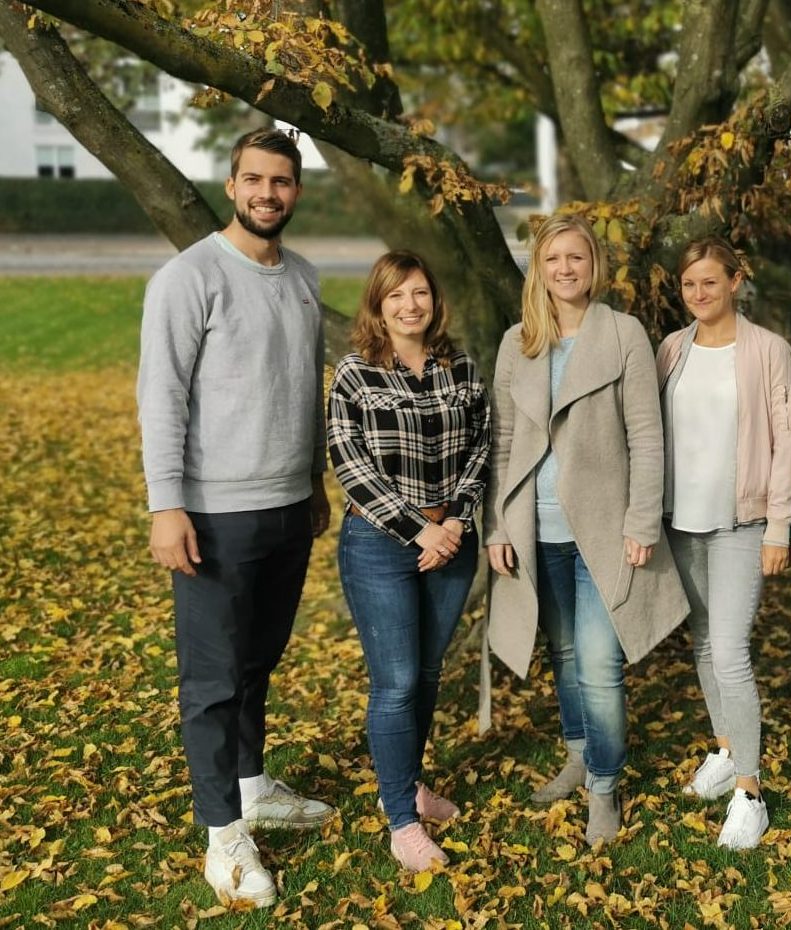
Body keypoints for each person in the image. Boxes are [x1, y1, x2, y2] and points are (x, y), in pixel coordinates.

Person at [137, 128, 335, 908]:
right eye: (253, 179)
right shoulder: (189, 277)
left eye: (280, 181)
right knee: (213, 681)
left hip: (286, 506)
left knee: (258, 661)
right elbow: (161, 396)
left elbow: (306, 387)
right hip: (214, 513)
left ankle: (252, 786)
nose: (267, 193)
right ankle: (223, 837)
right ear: (231, 185)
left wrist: (313, 480)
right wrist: (166, 505)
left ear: (297, 190)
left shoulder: (304, 277)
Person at [482, 213, 689, 844]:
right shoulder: (518, 342)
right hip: (534, 529)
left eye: (575, 257)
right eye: (552, 259)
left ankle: (604, 785)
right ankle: (578, 754)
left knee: (599, 662)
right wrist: (497, 526)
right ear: (538, 270)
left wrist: (642, 519)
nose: (564, 269)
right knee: (566, 653)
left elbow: (647, 436)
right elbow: (502, 440)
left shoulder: (623, 333)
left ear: (594, 265)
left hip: (603, 531)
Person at [327, 251, 489, 871]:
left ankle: (409, 782)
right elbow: (351, 465)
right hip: (379, 542)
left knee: (426, 673)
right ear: (378, 304)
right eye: (395, 295)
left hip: (451, 538)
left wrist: (455, 523)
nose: (409, 305)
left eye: (419, 292)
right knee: (395, 683)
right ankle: (401, 820)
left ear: (434, 300)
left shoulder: (461, 368)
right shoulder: (355, 375)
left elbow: (481, 448)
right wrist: (420, 531)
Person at [655, 237, 791, 850]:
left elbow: (788, 438)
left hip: (742, 521)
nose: (699, 293)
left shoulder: (767, 350)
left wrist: (779, 525)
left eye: (710, 282)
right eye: (689, 284)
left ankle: (750, 791)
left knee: (731, 652)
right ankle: (724, 749)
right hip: (681, 520)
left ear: (736, 281)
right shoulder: (672, 349)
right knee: (705, 644)